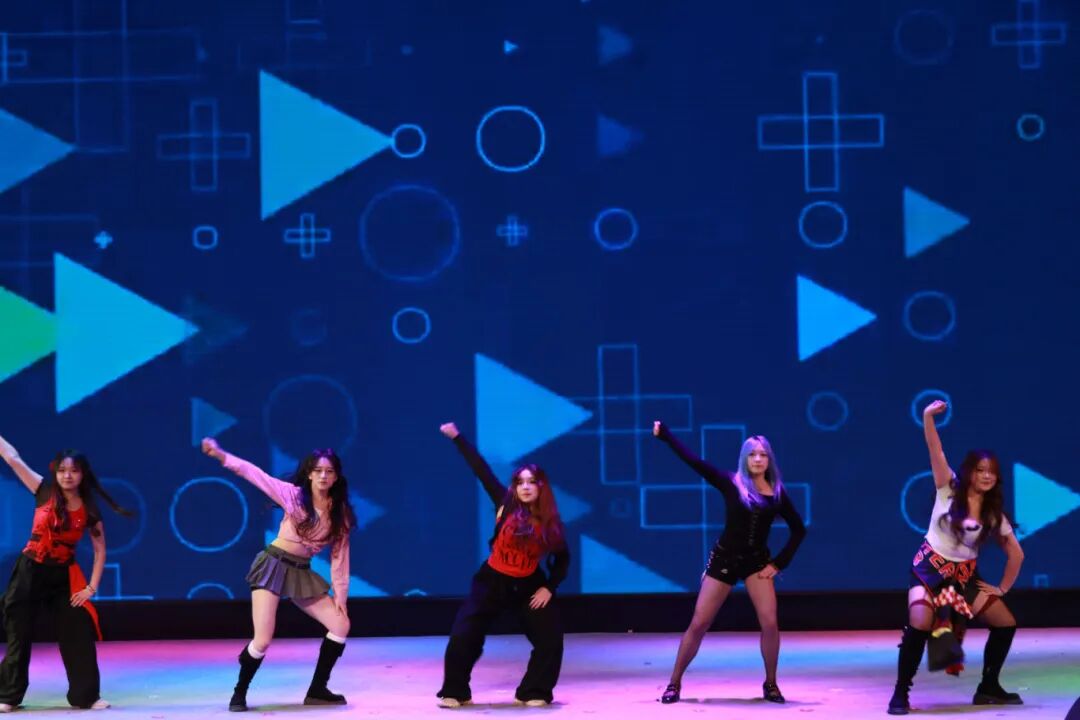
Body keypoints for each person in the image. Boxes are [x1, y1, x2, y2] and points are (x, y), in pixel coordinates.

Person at [653, 421, 806, 704]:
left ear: (769, 460)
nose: (758, 459)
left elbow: (799, 530)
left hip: (756, 563)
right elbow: (694, 462)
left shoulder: (777, 493)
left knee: (770, 622)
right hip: (724, 559)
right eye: (752, 454)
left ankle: (771, 684)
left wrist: (778, 564)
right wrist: (666, 436)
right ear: (744, 459)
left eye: (763, 455)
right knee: (700, 622)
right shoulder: (731, 482)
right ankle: (674, 683)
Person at [888, 400, 1025, 715]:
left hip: (963, 578)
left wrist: (1002, 588)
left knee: (1005, 623)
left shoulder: (993, 514)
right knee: (920, 622)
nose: (986, 476)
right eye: (981, 470)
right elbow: (934, 449)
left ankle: (988, 687)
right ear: (970, 472)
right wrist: (927, 417)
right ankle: (900, 692)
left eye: (992, 472)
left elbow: (1016, 554)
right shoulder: (948, 487)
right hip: (928, 570)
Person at [200, 438, 355, 712]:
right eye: (318, 470)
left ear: (335, 477)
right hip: (273, 565)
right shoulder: (293, 495)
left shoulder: (339, 513)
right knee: (262, 639)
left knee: (341, 624)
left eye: (329, 471)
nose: (323, 476)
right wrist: (221, 455)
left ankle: (317, 690)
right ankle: (239, 692)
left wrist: (340, 596)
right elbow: (254, 474)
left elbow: (339, 558)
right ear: (309, 473)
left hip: (300, 572)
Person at [435, 422, 569, 708]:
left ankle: (533, 691)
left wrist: (549, 587)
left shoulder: (551, 522)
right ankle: (456, 690)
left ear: (541, 486)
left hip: (528, 584)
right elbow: (480, 469)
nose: (525, 487)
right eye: (520, 482)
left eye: (531, 482)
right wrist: (457, 437)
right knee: (464, 634)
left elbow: (562, 559)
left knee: (550, 638)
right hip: (492, 580)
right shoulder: (505, 504)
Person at [0, 432, 133, 712]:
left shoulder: (89, 510)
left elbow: (100, 550)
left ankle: (86, 696)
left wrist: (90, 588)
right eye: (62, 470)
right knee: (18, 635)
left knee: (78, 632)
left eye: (73, 471)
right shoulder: (43, 490)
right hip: (30, 571)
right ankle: (9, 696)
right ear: (56, 473)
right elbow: (13, 459)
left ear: (82, 474)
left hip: (63, 576)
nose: (67, 476)